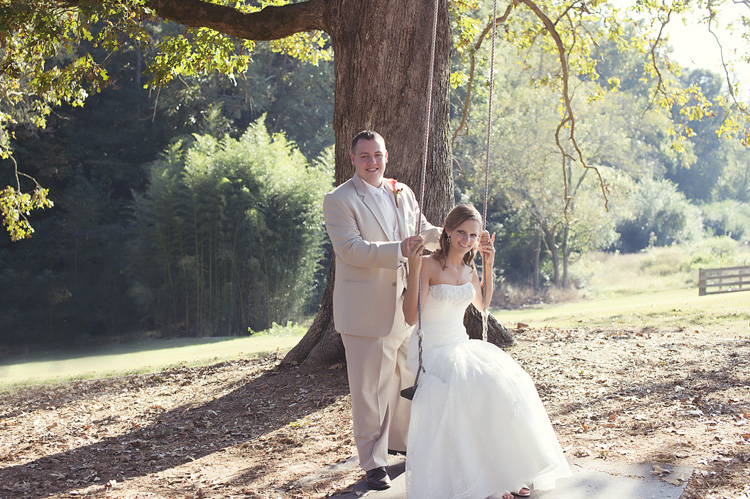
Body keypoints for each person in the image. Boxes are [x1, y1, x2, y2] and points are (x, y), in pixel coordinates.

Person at [402, 204, 571, 499]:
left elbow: (483, 306)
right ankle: (484, 483)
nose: (466, 240)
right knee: (470, 384)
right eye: (461, 233)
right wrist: (413, 267)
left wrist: (488, 266)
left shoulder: (469, 268)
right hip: (431, 349)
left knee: (503, 383)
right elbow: (410, 317)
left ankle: (507, 473)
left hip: (461, 344)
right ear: (448, 231)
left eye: (473, 235)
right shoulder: (428, 265)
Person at [322, 130, 441, 490]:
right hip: (365, 311)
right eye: (364, 156)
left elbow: (423, 231)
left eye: (377, 155)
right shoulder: (339, 199)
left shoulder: (402, 191)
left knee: (404, 381)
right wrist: (400, 250)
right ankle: (373, 464)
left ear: (386, 155)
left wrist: (458, 235)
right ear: (353, 159)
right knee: (369, 390)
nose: (372, 162)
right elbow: (352, 250)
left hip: (407, 305)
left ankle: (401, 446)